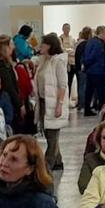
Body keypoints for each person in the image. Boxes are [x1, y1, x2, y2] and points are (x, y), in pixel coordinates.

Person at [34, 32, 69, 172]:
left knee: (52, 135)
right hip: (43, 102)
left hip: (54, 102)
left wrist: (59, 104)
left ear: (50, 46)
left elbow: (63, 85)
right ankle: (58, 161)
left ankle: (47, 165)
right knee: (48, 132)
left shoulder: (58, 61)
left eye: (43, 44)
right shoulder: (43, 61)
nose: (40, 46)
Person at [83, 26, 105, 116]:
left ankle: (87, 109)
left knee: (89, 91)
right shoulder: (99, 44)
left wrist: (86, 64)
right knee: (101, 92)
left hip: (90, 70)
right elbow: (93, 56)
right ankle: (102, 110)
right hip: (98, 71)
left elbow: (86, 55)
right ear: (102, 33)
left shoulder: (90, 41)